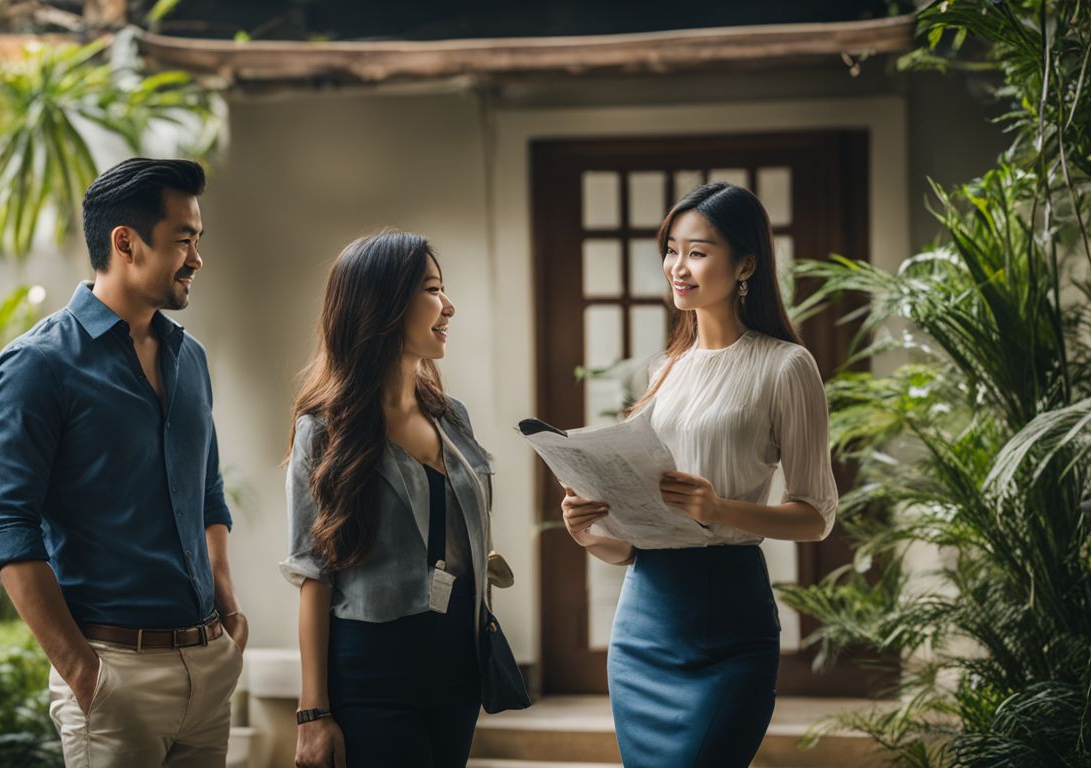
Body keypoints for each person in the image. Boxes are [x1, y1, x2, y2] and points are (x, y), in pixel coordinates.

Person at [0, 157, 247, 768]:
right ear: (126, 243)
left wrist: (228, 613)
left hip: (209, 667)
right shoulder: (37, 366)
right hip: (113, 675)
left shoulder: (190, 358)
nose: (196, 258)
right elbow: (5, 530)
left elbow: (207, 492)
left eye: (197, 240)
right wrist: (83, 672)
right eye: (183, 240)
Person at [561, 182, 838, 767]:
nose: (677, 267)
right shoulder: (665, 371)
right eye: (670, 249)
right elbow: (640, 543)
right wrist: (589, 531)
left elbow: (816, 518)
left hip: (729, 621)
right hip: (644, 621)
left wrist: (720, 510)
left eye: (697, 251)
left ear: (745, 263)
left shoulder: (787, 366)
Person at [282, 231, 495, 768]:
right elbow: (313, 574)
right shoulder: (324, 430)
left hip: (457, 665)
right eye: (431, 290)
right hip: (371, 673)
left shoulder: (452, 417)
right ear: (382, 304)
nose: (448, 306)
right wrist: (313, 713)